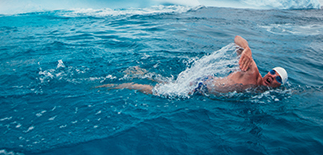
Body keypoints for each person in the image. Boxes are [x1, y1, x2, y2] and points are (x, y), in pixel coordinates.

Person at [97, 35, 288, 95]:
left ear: (279, 85)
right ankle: (119, 85)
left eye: (277, 78)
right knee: (159, 92)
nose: (272, 76)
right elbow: (238, 38)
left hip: (204, 84)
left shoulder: (261, 90)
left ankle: (139, 72)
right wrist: (247, 49)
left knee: (167, 83)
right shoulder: (253, 72)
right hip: (200, 86)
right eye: (272, 72)